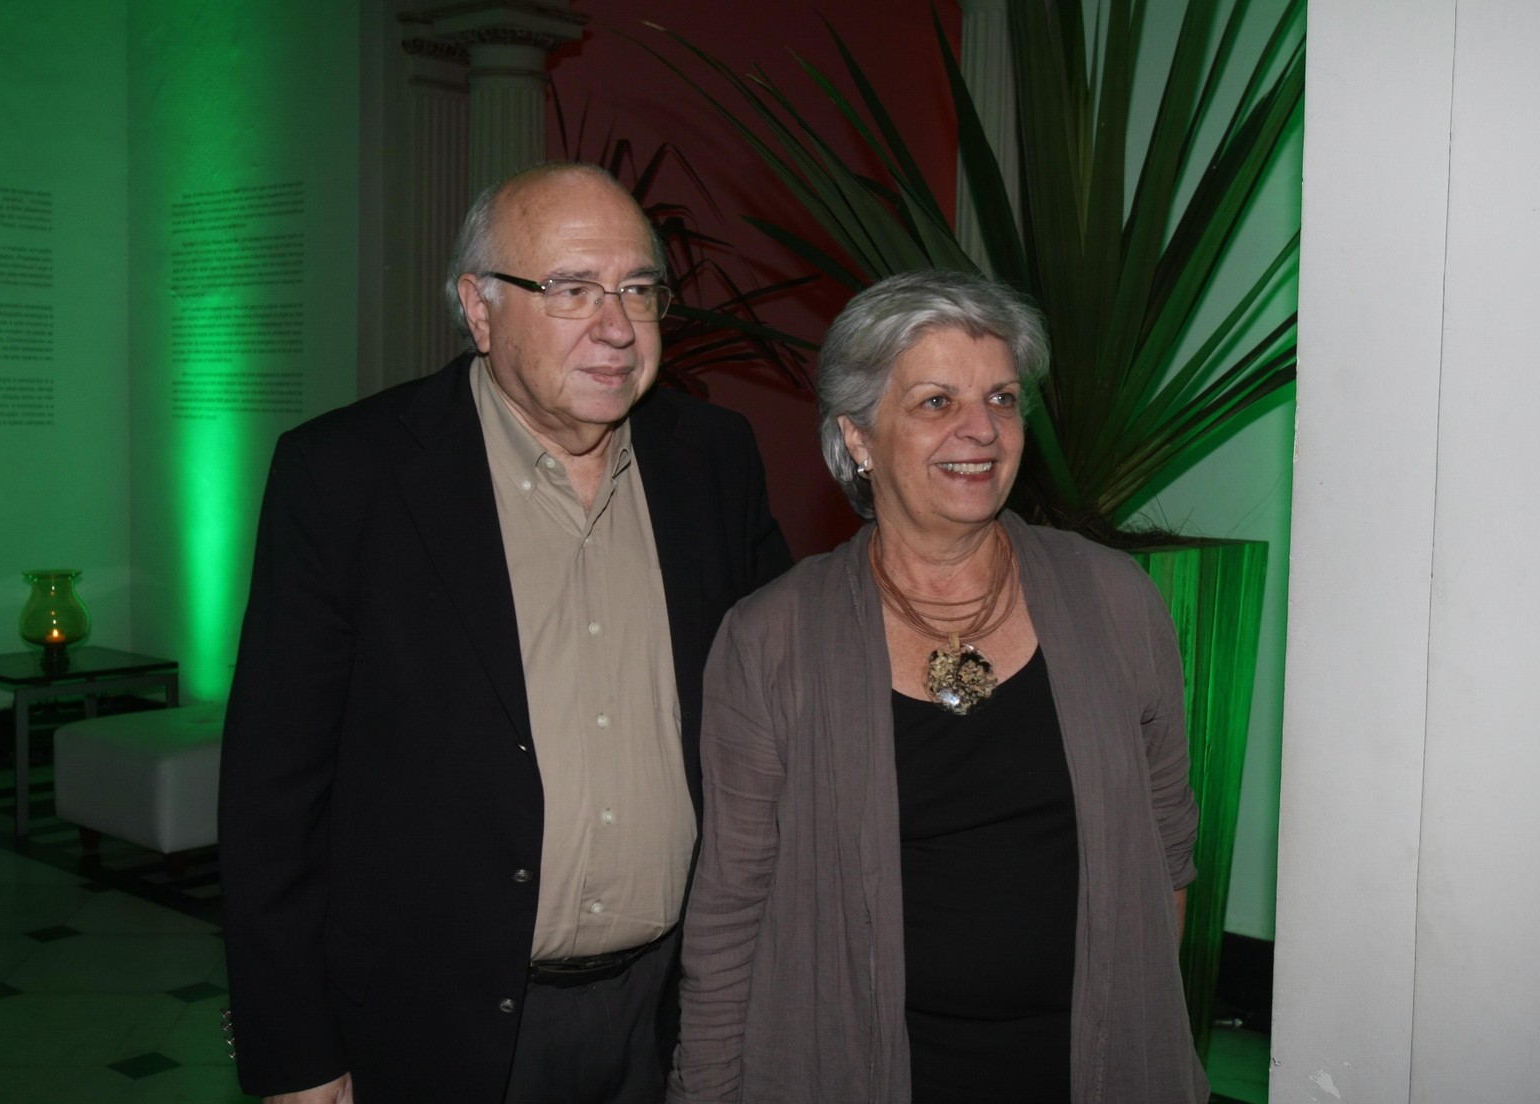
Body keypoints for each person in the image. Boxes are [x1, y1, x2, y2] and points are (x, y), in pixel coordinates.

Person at [219, 162, 791, 1103]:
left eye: (639, 290)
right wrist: (297, 1049)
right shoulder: (347, 477)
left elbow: (775, 701)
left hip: (674, 1013)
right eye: (571, 289)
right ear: (479, 310)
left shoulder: (712, 460)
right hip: (434, 1025)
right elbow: (270, 797)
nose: (616, 326)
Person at [667, 269, 1206, 1103]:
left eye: (1001, 399)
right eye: (935, 403)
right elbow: (729, 912)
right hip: (860, 1067)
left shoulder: (1115, 599)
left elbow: (1167, 846)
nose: (980, 431)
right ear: (857, 438)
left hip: (1086, 1067)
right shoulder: (771, 637)